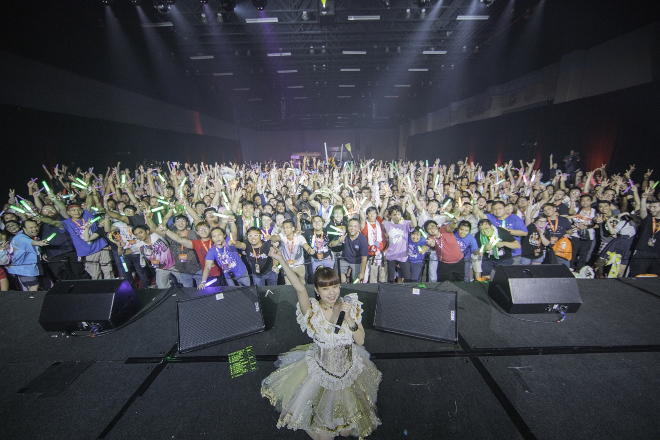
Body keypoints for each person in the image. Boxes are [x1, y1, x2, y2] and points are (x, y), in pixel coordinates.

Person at [261, 246, 381, 439]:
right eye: (325, 288)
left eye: (335, 286)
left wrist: (349, 318)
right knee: (324, 436)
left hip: (348, 370)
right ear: (317, 290)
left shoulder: (351, 305)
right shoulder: (313, 311)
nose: (332, 293)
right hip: (322, 372)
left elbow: (360, 340)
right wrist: (281, 260)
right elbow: (299, 288)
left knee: (347, 431)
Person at [628, 190, 660, 276]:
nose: (651, 209)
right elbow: (642, 210)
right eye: (650, 207)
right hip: (643, 251)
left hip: (657, 253)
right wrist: (643, 198)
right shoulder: (648, 218)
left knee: (655, 277)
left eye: (654, 207)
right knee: (636, 275)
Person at [330, 218, 369, 283]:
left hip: (356, 261)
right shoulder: (344, 234)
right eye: (351, 226)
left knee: (356, 281)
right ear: (348, 227)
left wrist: (362, 272)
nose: (352, 228)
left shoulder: (362, 239)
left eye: (355, 226)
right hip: (344, 259)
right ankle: (345, 285)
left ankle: (354, 287)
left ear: (358, 228)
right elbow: (331, 244)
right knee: (338, 273)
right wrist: (339, 241)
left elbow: (364, 257)